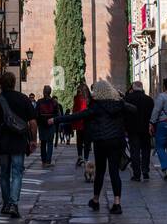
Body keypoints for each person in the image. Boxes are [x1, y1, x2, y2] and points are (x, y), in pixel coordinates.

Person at [50, 79, 137, 214]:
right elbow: (133, 109)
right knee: (114, 172)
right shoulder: (119, 104)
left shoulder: (96, 106)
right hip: (115, 142)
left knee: (100, 171)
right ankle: (117, 203)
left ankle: (96, 200)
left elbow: (77, 115)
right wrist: (122, 98)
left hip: (101, 141)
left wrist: (56, 119)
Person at [0, 71, 36, 218]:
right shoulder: (23, 99)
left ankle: (6, 204)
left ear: (0, 84)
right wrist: (33, 140)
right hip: (19, 142)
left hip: (2, 143)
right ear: (14, 83)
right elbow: (32, 123)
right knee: (17, 173)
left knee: (4, 173)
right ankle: (14, 204)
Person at [124, 81, 155, 182]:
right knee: (146, 150)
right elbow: (152, 116)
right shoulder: (149, 100)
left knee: (134, 151)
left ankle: (136, 174)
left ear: (133, 87)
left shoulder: (128, 99)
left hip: (133, 130)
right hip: (146, 129)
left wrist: (125, 128)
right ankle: (145, 171)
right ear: (142, 88)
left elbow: (125, 115)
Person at [34, 85, 62, 167]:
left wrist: (39, 121)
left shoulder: (39, 102)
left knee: (43, 143)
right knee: (50, 143)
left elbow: (36, 114)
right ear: (50, 92)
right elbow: (58, 114)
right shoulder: (54, 102)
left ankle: (43, 161)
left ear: (43, 92)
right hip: (51, 124)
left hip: (42, 125)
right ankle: (48, 161)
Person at [71, 82, 92, 167]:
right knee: (87, 142)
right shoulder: (89, 99)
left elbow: (75, 110)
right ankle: (86, 158)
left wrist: (73, 123)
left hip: (79, 122)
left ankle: (80, 157)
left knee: (79, 141)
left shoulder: (77, 98)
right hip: (88, 123)